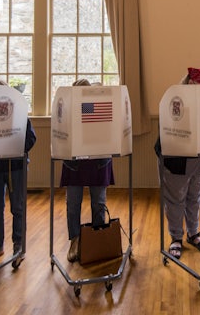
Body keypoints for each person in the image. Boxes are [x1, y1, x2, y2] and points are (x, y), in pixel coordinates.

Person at [155, 67, 200, 259]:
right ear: (191, 83)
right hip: (177, 158)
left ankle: (193, 233)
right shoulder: (176, 100)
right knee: (175, 198)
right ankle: (175, 237)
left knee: (194, 196)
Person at [0, 80, 37, 266]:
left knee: (18, 208)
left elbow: (31, 138)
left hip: (16, 167)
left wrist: (13, 147)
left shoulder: (18, 112)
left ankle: (19, 244)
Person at [61, 79, 115, 263]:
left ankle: (97, 240)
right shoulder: (67, 112)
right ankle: (75, 241)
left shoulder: (97, 108)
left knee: (99, 203)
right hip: (74, 163)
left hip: (98, 161)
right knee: (73, 205)